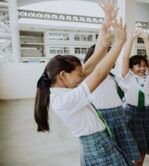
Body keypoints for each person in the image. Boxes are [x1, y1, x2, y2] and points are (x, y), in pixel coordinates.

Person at [34, 1, 130, 165]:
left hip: (100, 139)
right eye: (79, 74)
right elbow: (98, 73)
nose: (83, 76)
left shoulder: (64, 88)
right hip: (96, 144)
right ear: (63, 75)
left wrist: (106, 23)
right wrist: (120, 41)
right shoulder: (64, 100)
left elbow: (92, 64)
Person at [83, 43, 140, 163]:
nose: (111, 58)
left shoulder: (112, 76)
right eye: (108, 55)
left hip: (119, 116)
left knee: (124, 153)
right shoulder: (90, 77)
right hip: (102, 119)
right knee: (108, 157)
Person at [121, 30, 149, 166]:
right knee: (133, 144)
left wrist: (146, 40)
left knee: (143, 145)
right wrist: (131, 39)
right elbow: (125, 58)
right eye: (138, 65)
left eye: (144, 65)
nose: (142, 68)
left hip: (147, 113)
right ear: (131, 68)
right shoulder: (128, 78)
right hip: (131, 113)